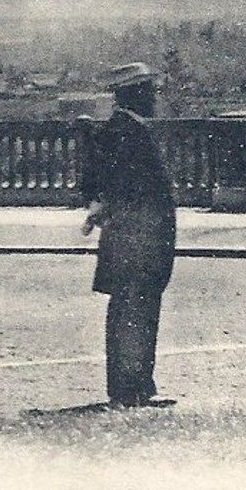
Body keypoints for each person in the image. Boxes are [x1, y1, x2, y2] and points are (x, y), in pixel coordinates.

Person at [80, 62, 177, 408]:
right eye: (149, 91)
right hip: (139, 237)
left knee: (131, 309)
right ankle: (129, 389)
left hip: (130, 235)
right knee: (135, 309)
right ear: (135, 93)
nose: (154, 98)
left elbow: (92, 183)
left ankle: (134, 387)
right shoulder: (129, 133)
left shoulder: (117, 130)